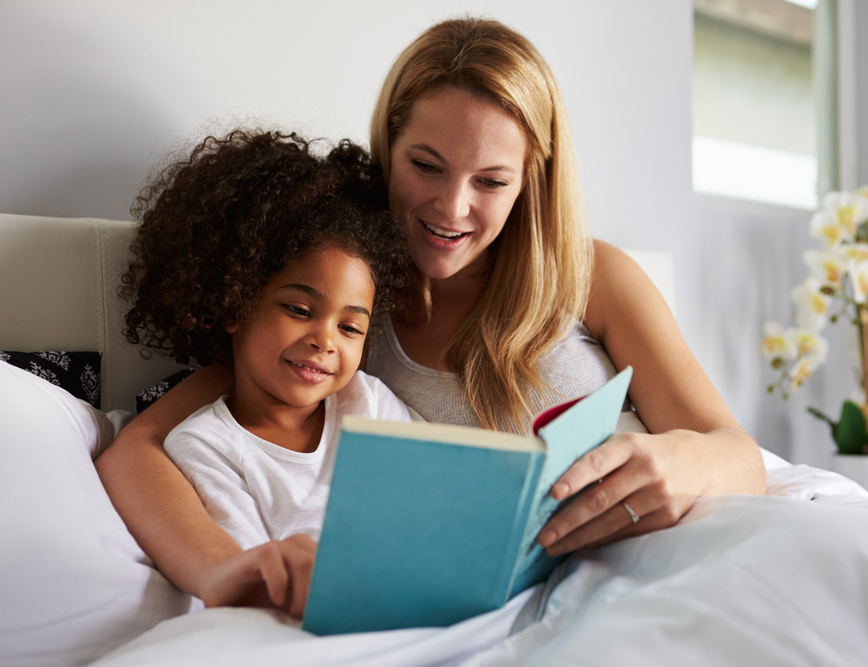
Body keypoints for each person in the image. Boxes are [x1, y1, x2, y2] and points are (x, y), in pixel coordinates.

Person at [96, 18, 766, 619]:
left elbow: (738, 455)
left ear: (533, 178)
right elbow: (138, 451)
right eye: (426, 166)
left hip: (630, 577)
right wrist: (224, 568)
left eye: (491, 181)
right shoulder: (343, 293)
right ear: (390, 145)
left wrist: (674, 460)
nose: (451, 208)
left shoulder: (595, 278)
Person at [117, 129, 414, 615]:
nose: (325, 339)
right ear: (233, 305)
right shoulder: (206, 444)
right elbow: (251, 582)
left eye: (350, 327)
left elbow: (425, 507)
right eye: (299, 309)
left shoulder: (369, 402)